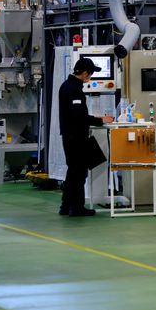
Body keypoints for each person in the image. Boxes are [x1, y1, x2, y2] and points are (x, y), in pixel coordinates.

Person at [58, 57, 114, 216]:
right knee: (79, 173)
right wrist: (100, 120)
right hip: (75, 137)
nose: (91, 77)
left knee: (73, 171)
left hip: (69, 136)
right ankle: (77, 208)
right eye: (90, 74)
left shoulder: (66, 86)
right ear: (84, 74)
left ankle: (65, 206)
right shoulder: (74, 89)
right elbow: (78, 116)